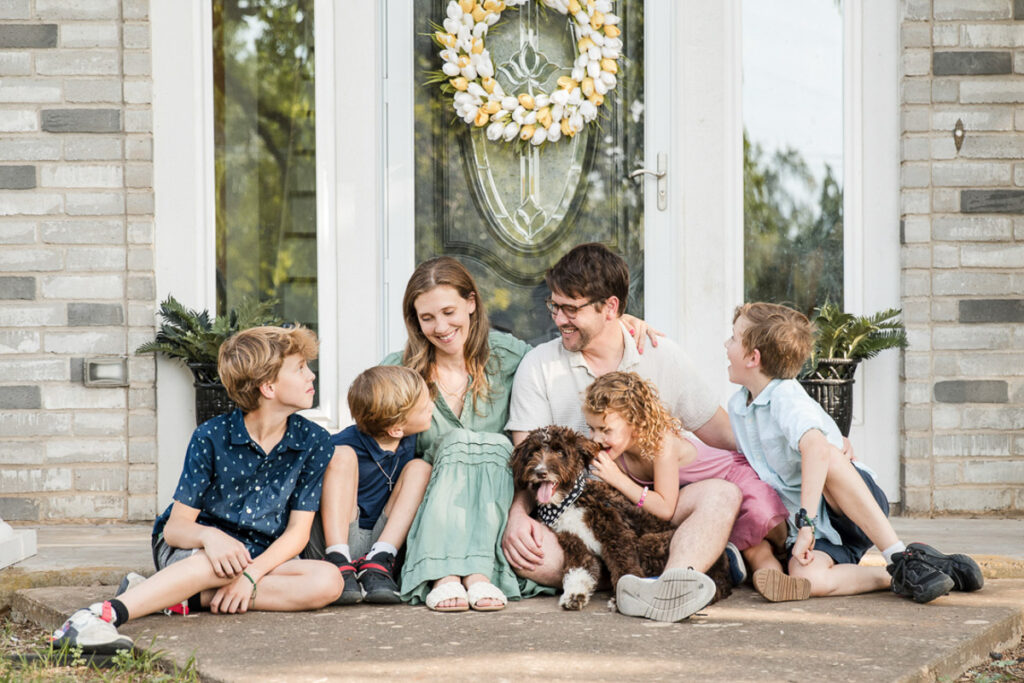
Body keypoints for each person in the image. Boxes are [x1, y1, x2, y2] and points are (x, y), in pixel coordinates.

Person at [385, 256, 657, 613]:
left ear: (471, 303)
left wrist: (618, 324)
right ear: (415, 321)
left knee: (498, 447)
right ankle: (445, 575)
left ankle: (476, 573)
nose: (441, 327)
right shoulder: (398, 370)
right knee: (462, 443)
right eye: (427, 318)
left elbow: (568, 348)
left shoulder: (510, 357)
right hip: (432, 520)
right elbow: (370, 440)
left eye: (449, 311)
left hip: (493, 515)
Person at [51, 325, 342, 654]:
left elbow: (297, 534)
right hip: (194, 549)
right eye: (300, 368)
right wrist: (210, 537)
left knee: (328, 581)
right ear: (269, 386)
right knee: (212, 563)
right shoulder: (212, 436)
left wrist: (250, 577)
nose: (311, 376)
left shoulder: (313, 441)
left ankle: (177, 594)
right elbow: (176, 529)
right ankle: (98, 616)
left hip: (260, 556)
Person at [504, 242, 744, 623]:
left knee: (722, 494)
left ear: (610, 308)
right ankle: (677, 567)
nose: (559, 319)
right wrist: (518, 514)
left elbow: (725, 432)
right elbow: (529, 466)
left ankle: (672, 582)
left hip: (648, 505)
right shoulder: (539, 367)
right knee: (537, 558)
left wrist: (816, 440)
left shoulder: (658, 353)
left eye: (571, 308)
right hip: (580, 512)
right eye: (555, 306)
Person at [725, 302, 984, 603]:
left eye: (733, 338)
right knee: (808, 580)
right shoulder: (739, 408)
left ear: (753, 358)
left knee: (827, 454)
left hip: (848, 506)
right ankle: (904, 574)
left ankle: (898, 554)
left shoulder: (785, 396)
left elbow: (816, 449)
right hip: (823, 530)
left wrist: (805, 525)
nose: (726, 344)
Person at [582, 371, 790, 593]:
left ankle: (782, 569)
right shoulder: (617, 453)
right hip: (704, 503)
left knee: (763, 526)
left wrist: (618, 479)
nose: (596, 438)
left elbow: (664, 507)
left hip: (735, 479)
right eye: (592, 428)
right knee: (754, 549)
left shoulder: (661, 444)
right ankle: (770, 579)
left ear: (637, 422)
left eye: (605, 430)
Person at [303, 365, 434, 604]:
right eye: (425, 407)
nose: (432, 408)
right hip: (336, 537)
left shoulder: (411, 440)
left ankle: (380, 560)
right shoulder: (341, 444)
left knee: (421, 468)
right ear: (396, 429)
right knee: (342, 456)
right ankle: (338, 559)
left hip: (382, 541)